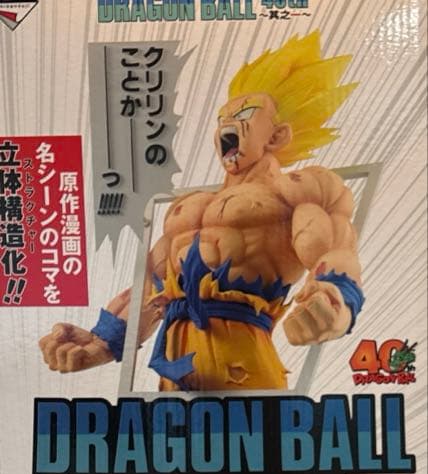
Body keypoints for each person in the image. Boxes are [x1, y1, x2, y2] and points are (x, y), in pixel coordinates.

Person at [39, 32, 364, 392]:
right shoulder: (187, 208)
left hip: (246, 370)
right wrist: (103, 341)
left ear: (276, 136)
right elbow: (153, 286)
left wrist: (334, 300)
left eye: (242, 114)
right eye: (222, 117)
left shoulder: (299, 189)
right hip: (173, 376)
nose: (225, 125)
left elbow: (336, 250)